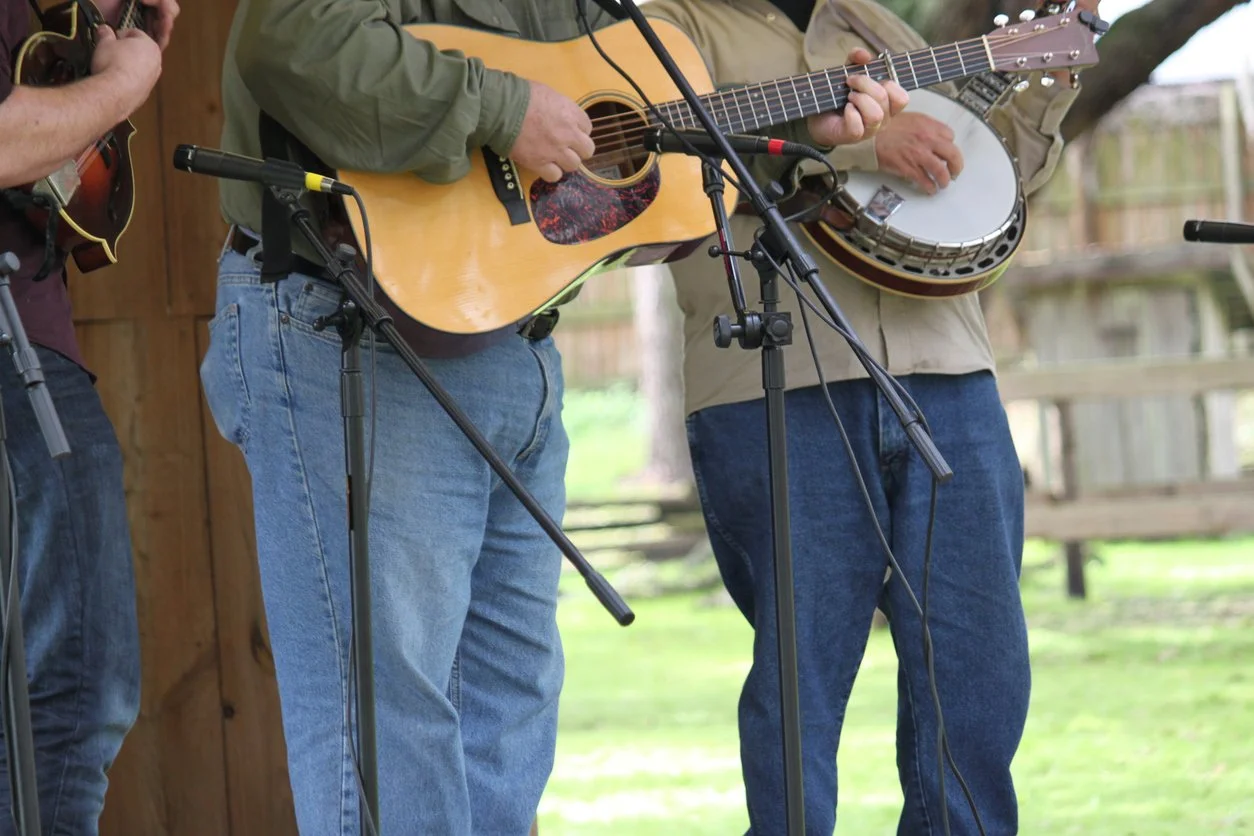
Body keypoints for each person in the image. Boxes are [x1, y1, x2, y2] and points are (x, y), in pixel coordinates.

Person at [204, 1, 905, 833]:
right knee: (391, 723)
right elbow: (288, 38)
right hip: (351, 319)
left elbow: (614, 122)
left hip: (512, 339)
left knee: (510, 708)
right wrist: (504, 110)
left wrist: (789, 122)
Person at [643, 0, 1096, 831]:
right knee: (800, 684)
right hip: (774, 381)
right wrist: (850, 149)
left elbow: (992, 178)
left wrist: (1053, 75)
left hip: (948, 372)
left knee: (977, 673)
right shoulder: (667, 29)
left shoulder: (878, 26)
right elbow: (643, 175)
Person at [0, 0, 177, 831]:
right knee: (76, 689)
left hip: (31, 331)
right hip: (14, 360)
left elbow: (76, 201)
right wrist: (123, 83)